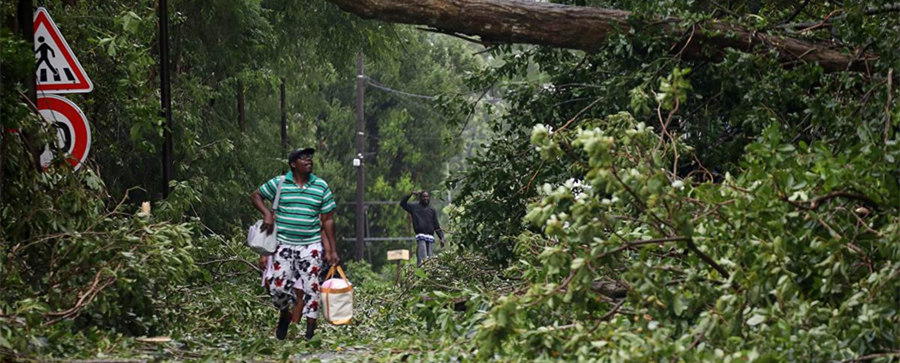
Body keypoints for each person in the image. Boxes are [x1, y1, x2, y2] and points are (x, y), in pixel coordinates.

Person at [250, 147, 339, 340]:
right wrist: (267, 214)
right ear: (293, 164)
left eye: (310, 157)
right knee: (278, 287)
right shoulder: (280, 182)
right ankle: (284, 314)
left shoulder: (321, 186)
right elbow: (255, 195)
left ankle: (309, 334)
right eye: (303, 157)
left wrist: (332, 249)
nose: (308, 160)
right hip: (283, 244)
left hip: (311, 245)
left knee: (311, 288)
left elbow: (328, 220)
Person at [399, 191, 445, 267]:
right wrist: (410, 194)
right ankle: (421, 270)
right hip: (421, 236)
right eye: (423, 197)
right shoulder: (414, 207)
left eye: (427, 197)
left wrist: (441, 237)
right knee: (422, 257)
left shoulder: (432, 210)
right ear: (420, 198)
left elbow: (436, 225)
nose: (425, 198)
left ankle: (429, 272)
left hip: (430, 237)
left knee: (429, 258)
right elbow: (402, 204)